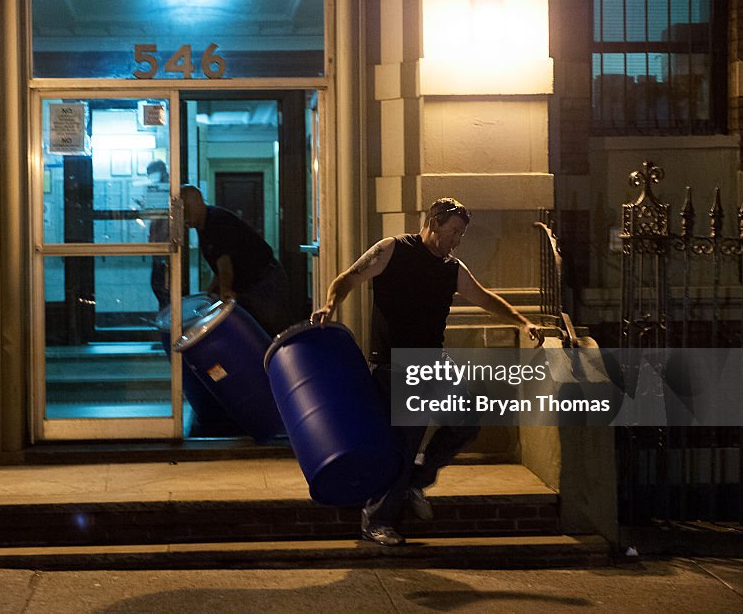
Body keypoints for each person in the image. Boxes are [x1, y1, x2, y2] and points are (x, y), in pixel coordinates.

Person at [311, 197, 544, 547]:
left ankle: (417, 478)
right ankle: (377, 521)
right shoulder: (393, 249)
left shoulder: (452, 268)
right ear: (433, 223)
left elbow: (484, 297)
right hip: (394, 364)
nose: (457, 240)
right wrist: (331, 304)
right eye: (453, 232)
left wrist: (523, 322)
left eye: (461, 234)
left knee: (467, 419)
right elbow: (348, 278)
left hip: (433, 361)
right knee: (403, 444)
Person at [180, 185, 291, 337]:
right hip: (253, 284)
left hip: (264, 281)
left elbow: (225, 263)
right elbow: (221, 265)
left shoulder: (216, 222)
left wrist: (224, 290)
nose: (184, 216)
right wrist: (210, 291)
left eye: (186, 209)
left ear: (198, 202)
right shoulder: (204, 226)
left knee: (269, 334)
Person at [144, 160, 170, 310]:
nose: (150, 178)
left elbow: (161, 220)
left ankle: (167, 317)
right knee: (158, 285)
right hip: (158, 247)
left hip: (164, 247)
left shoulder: (167, 190)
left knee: (161, 285)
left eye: (151, 174)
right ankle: (165, 315)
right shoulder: (159, 190)